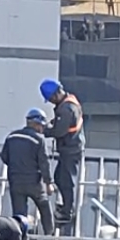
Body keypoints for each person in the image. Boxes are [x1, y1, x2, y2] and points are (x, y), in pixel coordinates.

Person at [0, 109, 55, 240]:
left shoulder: (12, 136)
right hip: (34, 182)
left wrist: (16, 166)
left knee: (19, 215)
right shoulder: (38, 140)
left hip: (15, 181)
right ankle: (49, 236)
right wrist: (48, 183)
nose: (42, 129)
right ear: (36, 124)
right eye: (41, 126)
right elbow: (44, 163)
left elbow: (4, 157)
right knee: (44, 205)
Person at [40, 78, 85, 224]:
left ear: (55, 95)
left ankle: (67, 212)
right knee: (59, 177)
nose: (51, 102)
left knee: (66, 181)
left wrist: (44, 130)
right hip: (71, 147)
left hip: (70, 150)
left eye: (51, 99)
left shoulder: (66, 109)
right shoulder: (69, 101)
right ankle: (66, 206)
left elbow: (59, 131)